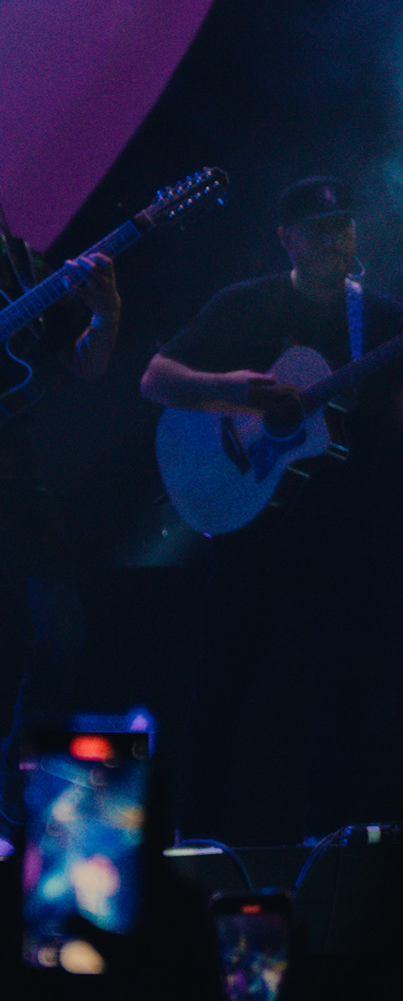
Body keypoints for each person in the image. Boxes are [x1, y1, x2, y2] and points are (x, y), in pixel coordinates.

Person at [140, 176, 403, 839]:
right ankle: (193, 837)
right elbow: (155, 379)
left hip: (340, 532)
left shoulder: (383, 320)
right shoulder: (245, 303)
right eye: (320, 229)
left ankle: (327, 844)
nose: (336, 239)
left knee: (343, 689)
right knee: (220, 686)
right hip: (250, 528)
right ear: (287, 239)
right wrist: (229, 387)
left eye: (344, 225)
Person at [0, 206, 119, 845]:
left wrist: (106, 313)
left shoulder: (23, 263)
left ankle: (13, 788)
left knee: (62, 631)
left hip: (17, 472)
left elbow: (88, 366)